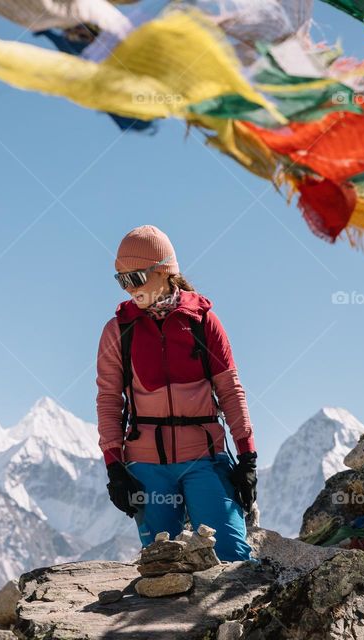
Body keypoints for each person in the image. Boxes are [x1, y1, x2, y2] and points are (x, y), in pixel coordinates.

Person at [95, 224, 258, 561]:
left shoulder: (203, 322)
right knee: (161, 564)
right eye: (121, 280)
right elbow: (109, 401)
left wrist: (247, 457)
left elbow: (230, 391)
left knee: (232, 558)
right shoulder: (117, 331)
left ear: (165, 271)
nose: (129, 289)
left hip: (205, 460)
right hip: (146, 467)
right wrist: (115, 468)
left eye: (135, 278)